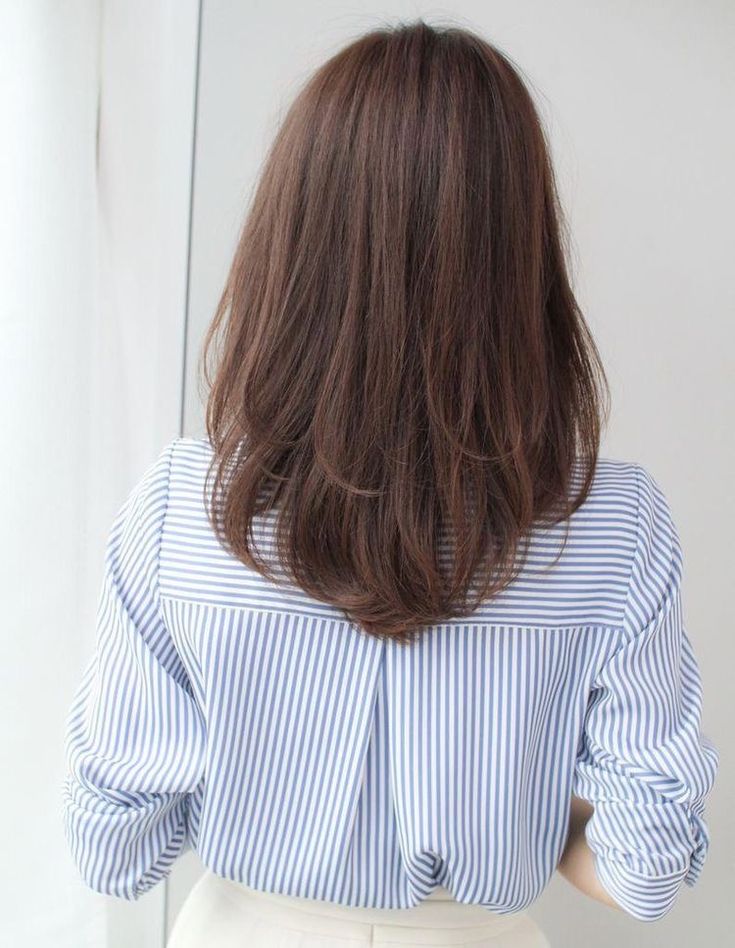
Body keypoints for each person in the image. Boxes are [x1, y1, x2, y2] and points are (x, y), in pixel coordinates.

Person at [61, 18, 718, 948]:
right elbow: (647, 867)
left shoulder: (184, 510)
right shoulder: (613, 526)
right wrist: (514, 815)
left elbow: (112, 847)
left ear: (291, 243)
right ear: (520, 255)